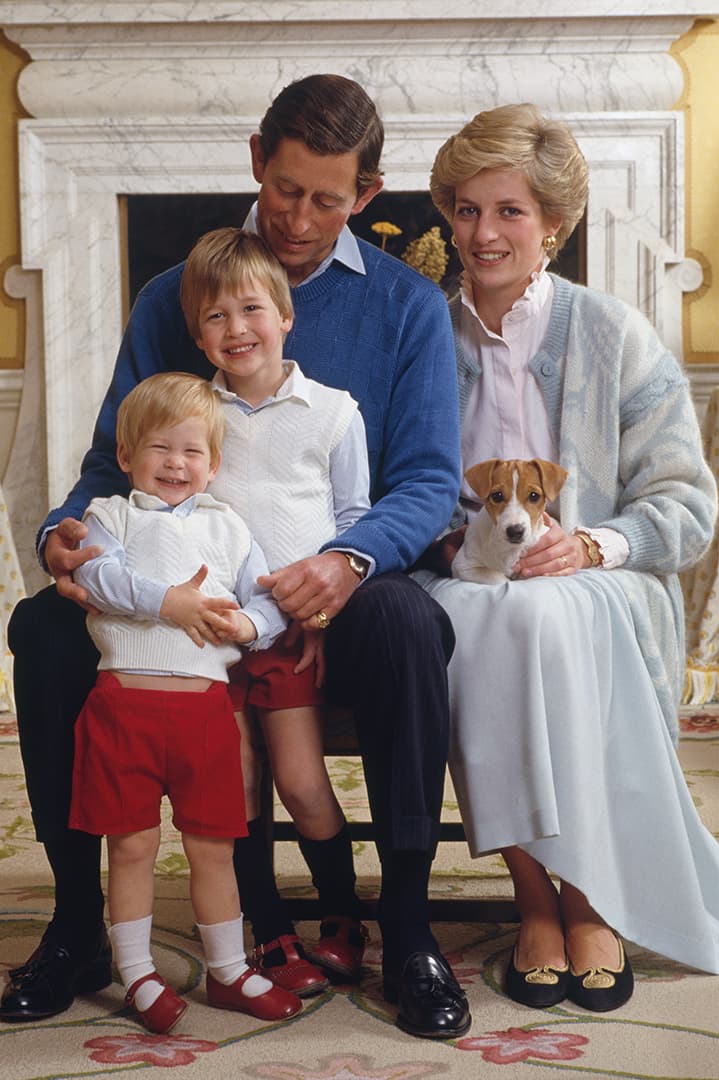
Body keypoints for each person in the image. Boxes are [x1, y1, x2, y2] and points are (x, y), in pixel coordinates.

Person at [4, 75, 468, 1039]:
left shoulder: (407, 308)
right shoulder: (180, 294)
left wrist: (347, 561)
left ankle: (407, 923)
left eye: (326, 199)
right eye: (284, 187)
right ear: (257, 159)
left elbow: (424, 483)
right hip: (192, 579)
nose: (298, 217)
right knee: (43, 626)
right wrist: (64, 529)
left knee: (413, 623)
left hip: (343, 574)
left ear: (366, 195)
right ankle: (81, 921)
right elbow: (111, 456)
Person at [412, 102, 719, 1012]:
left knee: (540, 610)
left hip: (602, 584)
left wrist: (590, 543)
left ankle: (589, 897)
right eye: (467, 209)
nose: (484, 232)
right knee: (487, 613)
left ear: (554, 223)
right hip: (469, 581)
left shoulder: (613, 333)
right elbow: (394, 486)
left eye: (509, 211)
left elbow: (689, 507)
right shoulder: (423, 333)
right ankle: (536, 895)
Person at [68, 371, 301, 1032]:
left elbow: (267, 599)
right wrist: (170, 601)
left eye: (191, 451)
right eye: (159, 449)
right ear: (126, 458)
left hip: (204, 716)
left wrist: (249, 627)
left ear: (215, 464)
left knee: (213, 847)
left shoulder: (230, 527)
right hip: (125, 710)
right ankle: (137, 971)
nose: (175, 463)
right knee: (133, 847)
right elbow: (99, 576)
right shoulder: (107, 517)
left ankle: (228, 970)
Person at [179, 227, 371, 996]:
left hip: (293, 631)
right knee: (241, 782)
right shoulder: (196, 415)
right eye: (216, 319)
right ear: (198, 334)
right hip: (213, 637)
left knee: (300, 780)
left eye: (251, 309)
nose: (236, 330)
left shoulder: (332, 412)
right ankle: (270, 930)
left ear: (286, 316)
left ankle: (343, 915)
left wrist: (323, 617)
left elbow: (356, 519)